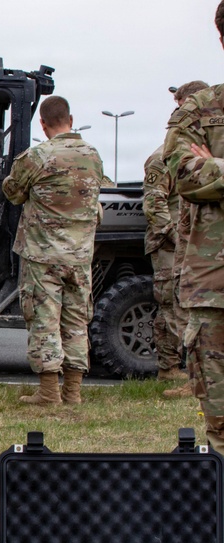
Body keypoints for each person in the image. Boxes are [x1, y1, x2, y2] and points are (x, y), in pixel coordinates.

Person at [2, 96, 104, 405]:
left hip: (43, 255)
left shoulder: (37, 155)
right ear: (70, 121)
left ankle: (49, 392)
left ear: (43, 125)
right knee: (76, 321)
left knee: (44, 320)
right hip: (80, 256)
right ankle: (72, 392)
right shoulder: (93, 155)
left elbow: (13, 193)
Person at [164, 0, 224, 450]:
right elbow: (184, 175)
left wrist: (216, 168)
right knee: (221, 426)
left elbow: (201, 174)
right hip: (214, 289)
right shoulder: (198, 110)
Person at [144, 81, 209, 397]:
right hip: (173, 245)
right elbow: (154, 203)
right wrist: (174, 237)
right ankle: (181, 374)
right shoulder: (164, 157)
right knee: (174, 306)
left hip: (193, 244)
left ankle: (175, 371)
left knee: (180, 306)